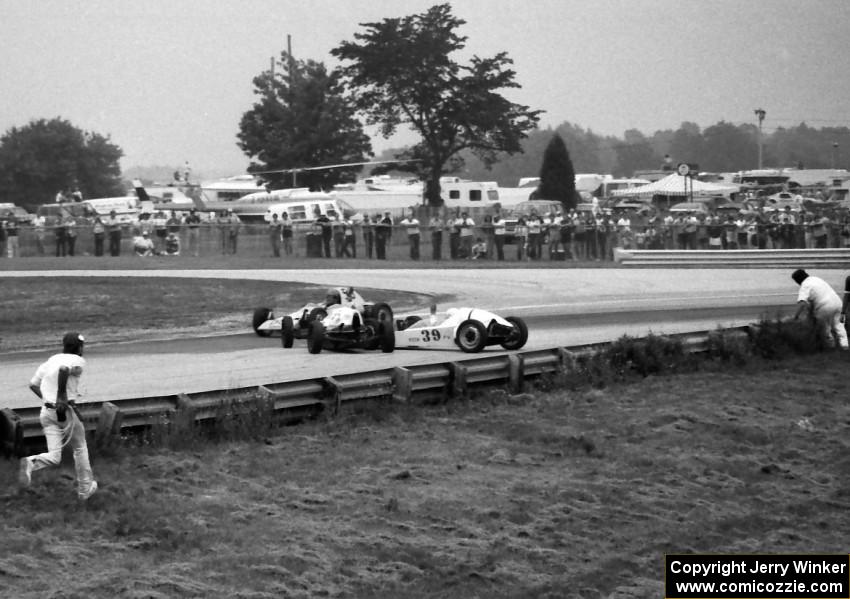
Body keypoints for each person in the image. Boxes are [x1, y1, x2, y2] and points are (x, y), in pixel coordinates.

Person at [19, 332, 97, 501]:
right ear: (79, 347)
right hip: (65, 411)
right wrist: (61, 396)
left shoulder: (51, 360)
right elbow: (64, 370)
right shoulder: (77, 361)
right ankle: (85, 489)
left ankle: (31, 462)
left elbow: (33, 385)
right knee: (80, 447)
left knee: (54, 456)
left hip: (47, 412)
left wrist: (50, 401)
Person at [791, 269, 848, 350]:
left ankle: (831, 348)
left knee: (826, 330)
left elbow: (802, 303)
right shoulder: (816, 279)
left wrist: (796, 316)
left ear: (797, 280)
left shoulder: (805, 285)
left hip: (824, 307)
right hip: (837, 303)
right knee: (839, 327)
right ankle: (845, 347)